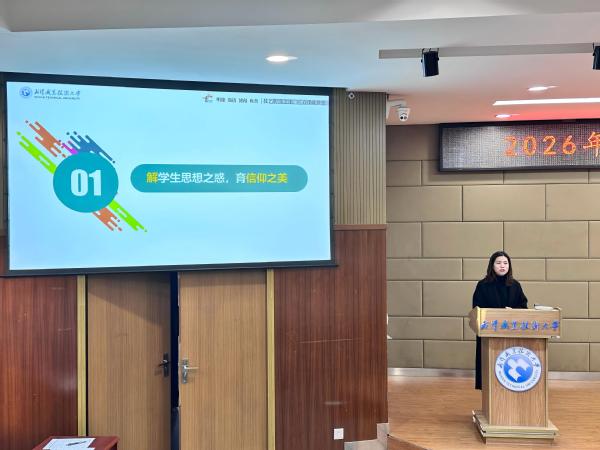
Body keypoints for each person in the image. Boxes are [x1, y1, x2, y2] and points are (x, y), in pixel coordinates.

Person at [472, 250, 528, 390]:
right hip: (489, 333)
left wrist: (513, 311)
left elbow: (523, 306)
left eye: (505, 263)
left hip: (511, 333)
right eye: (498, 263)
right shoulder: (483, 285)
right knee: (490, 367)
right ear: (492, 265)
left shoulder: (515, 285)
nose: (502, 266)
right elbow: (477, 309)